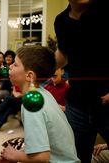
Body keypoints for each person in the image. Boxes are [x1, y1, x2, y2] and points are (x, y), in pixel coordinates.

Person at [0, 45, 80, 163]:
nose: (10, 66)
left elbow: (42, 157)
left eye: (15, 64)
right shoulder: (42, 93)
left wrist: (13, 155)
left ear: (30, 76)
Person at [54, 1, 109, 162]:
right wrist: (37, 66)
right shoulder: (61, 20)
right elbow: (63, 55)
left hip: (106, 101)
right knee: (76, 156)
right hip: (77, 104)